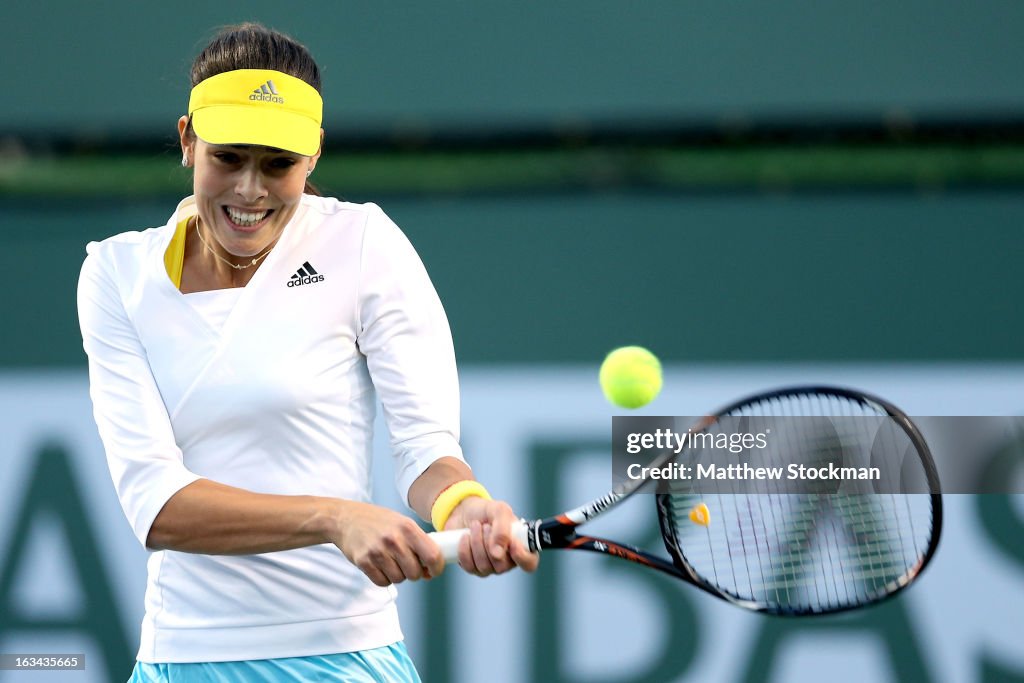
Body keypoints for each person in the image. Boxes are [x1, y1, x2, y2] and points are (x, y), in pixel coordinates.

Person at [77, 22, 537, 683]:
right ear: (187, 141)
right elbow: (156, 503)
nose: (250, 191)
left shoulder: (364, 243)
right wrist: (335, 518)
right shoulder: (115, 274)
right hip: (180, 657)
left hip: (341, 657)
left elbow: (425, 447)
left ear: (313, 155)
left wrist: (467, 507)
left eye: (278, 164)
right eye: (229, 158)